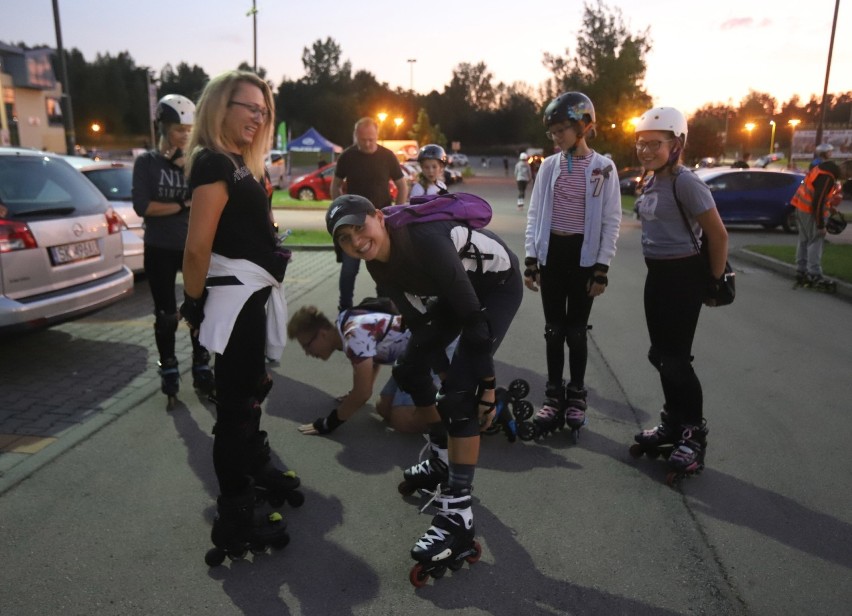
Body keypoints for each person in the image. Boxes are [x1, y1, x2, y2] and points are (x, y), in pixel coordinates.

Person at [326, 192, 523, 573]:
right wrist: (445, 374)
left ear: (379, 217)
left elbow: (475, 322)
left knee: (459, 399)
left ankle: (457, 518)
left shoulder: (423, 241)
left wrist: (482, 385)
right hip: (460, 292)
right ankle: (442, 458)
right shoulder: (378, 266)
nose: (355, 241)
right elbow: (419, 326)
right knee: (410, 368)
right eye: (344, 238)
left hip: (496, 287)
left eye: (358, 227)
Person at [181, 70, 297, 556]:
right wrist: (193, 304)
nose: (259, 115)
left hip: (253, 298)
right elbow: (197, 247)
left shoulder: (239, 163)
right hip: (235, 300)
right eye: (249, 106)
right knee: (233, 408)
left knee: (251, 393)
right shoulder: (213, 163)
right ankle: (235, 513)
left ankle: (254, 467)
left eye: (263, 110)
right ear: (219, 107)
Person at [630, 106, 730, 479]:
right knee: (661, 355)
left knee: (676, 359)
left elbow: (718, 235)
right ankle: (673, 423)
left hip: (684, 277)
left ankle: (693, 434)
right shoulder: (653, 180)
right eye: (641, 144)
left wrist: (714, 282)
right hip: (657, 275)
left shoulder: (685, 182)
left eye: (654, 144)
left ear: (677, 143)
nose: (645, 150)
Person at [523, 92, 622, 441]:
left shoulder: (603, 168)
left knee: (576, 331)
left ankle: (577, 393)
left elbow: (611, 221)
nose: (556, 137)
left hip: (583, 258)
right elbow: (536, 215)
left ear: (584, 127)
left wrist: (601, 269)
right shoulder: (549, 166)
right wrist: (531, 260)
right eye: (552, 131)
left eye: (562, 129)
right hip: (553, 255)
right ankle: (553, 395)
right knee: (554, 330)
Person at [131, 94, 215, 403]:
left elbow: (208, 200)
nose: (185, 135)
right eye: (179, 129)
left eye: (189, 129)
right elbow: (143, 206)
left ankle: (201, 363)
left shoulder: (195, 162)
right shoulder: (146, 163)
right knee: (166, 314)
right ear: (164, 128)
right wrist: (182, 203)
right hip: (160, 247)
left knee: (198, 308)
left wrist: (187, 171)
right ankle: (168, 366)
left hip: (192, 246)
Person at [287, 304, 448, 434]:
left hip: (433, 352)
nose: (307, 353)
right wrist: (357, 393)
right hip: (410, 358)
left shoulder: (353, 336)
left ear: (322, 334)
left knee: (402, 420)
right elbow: (372, 357)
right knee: (383, 408)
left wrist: (328, 423)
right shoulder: (344, 320)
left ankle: (457, 420)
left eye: (307, 346)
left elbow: (363, 394)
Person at [331, 117, 408, 311]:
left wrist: (396, 212)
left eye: (371, 139)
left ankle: (386, 306)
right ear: (356, 136)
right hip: (352, 223)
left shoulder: (387, 156)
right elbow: (336, 184)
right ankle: (345, 308)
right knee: (349, 270)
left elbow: (402, 185)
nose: (367, 143)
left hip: (380, 222)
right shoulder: (347, 156)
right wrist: (339, 210)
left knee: (384, 268)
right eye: (363, 139)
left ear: (377, 136)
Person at [792, 147, 842, 291]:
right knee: (815, 240)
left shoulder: (820, 169)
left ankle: (801, 270)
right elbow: (818, 201)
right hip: (809, 212)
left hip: (800, 207)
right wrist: (821, 225)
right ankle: (814, 273)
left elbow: (819, 197)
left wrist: (829, 207)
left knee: (804, 240)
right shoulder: (828, 176)